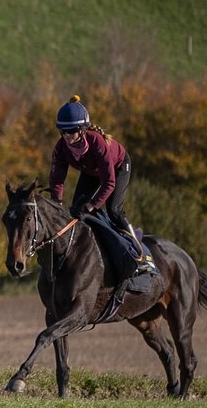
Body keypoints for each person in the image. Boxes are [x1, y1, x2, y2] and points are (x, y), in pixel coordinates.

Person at [48, 95, 155, 278]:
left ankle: (140, 256)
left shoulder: (97, 142)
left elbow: (109, 183)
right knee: (75, 211)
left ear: (82, 130)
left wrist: (91, 205)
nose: (66, 136)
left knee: (113, 210)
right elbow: (57, 180)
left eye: (71, 130)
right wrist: (56, 204)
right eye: (62, 131)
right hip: (92, 173)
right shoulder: (61, 148)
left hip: (118, 168)